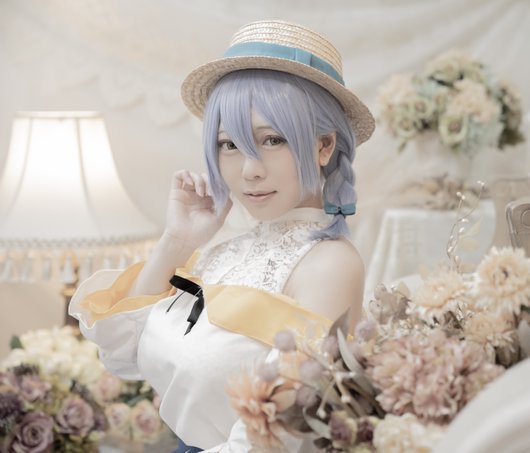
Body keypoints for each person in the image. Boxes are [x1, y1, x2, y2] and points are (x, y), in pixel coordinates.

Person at [69, 20, 375, 452]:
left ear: (324, 145)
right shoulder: (224, 251)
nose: (249, 170)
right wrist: (177, 241)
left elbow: (280, 434)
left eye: (273, 140)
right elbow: (122, 352)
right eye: (229, 145)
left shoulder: (329, 264)